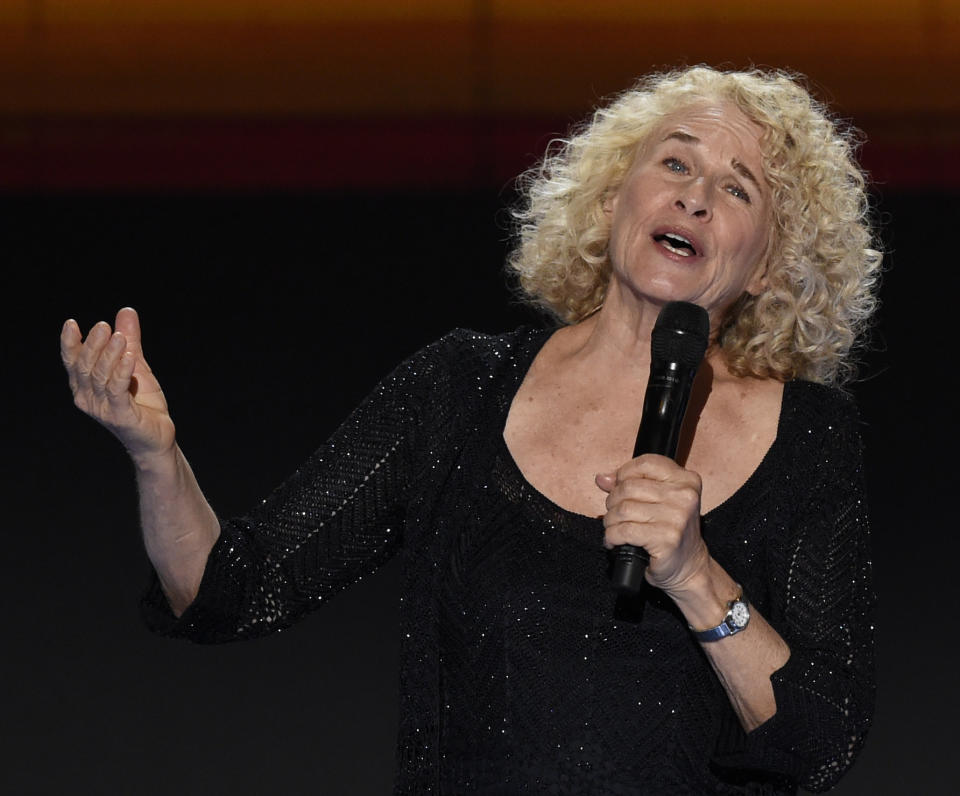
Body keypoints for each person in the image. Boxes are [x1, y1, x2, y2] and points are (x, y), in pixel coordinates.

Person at [60, 66, 881, 794]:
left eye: (737, 188)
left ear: (770, 262)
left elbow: (819, 739)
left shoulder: (807, 439)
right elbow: (223, 592)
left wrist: (697, 576)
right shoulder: (460, 386)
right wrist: (155, 456)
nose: (695, 195)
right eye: (675, 162)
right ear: (611, 197)